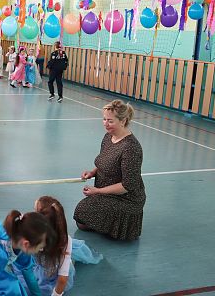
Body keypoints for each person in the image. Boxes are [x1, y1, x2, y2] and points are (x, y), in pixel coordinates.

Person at [74, 100, 145, 241]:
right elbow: (105, 160)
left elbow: (127, 186)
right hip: (106, 191)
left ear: (123, 121)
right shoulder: (108, 136)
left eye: (110, 121)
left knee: (83, 214)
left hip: (126, 199)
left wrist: (97, 191)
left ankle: (117, 225)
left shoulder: (131, 148)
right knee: (81, 217)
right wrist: (93, 172)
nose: (105, 124)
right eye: (104, 119)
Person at [15, 196, 103, 296]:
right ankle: (64, 260)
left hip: (43, 266)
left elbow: (62, 280)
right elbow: (62, 278)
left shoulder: (32, 232)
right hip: (50, 264)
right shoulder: (65, 240)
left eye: (35, 211)